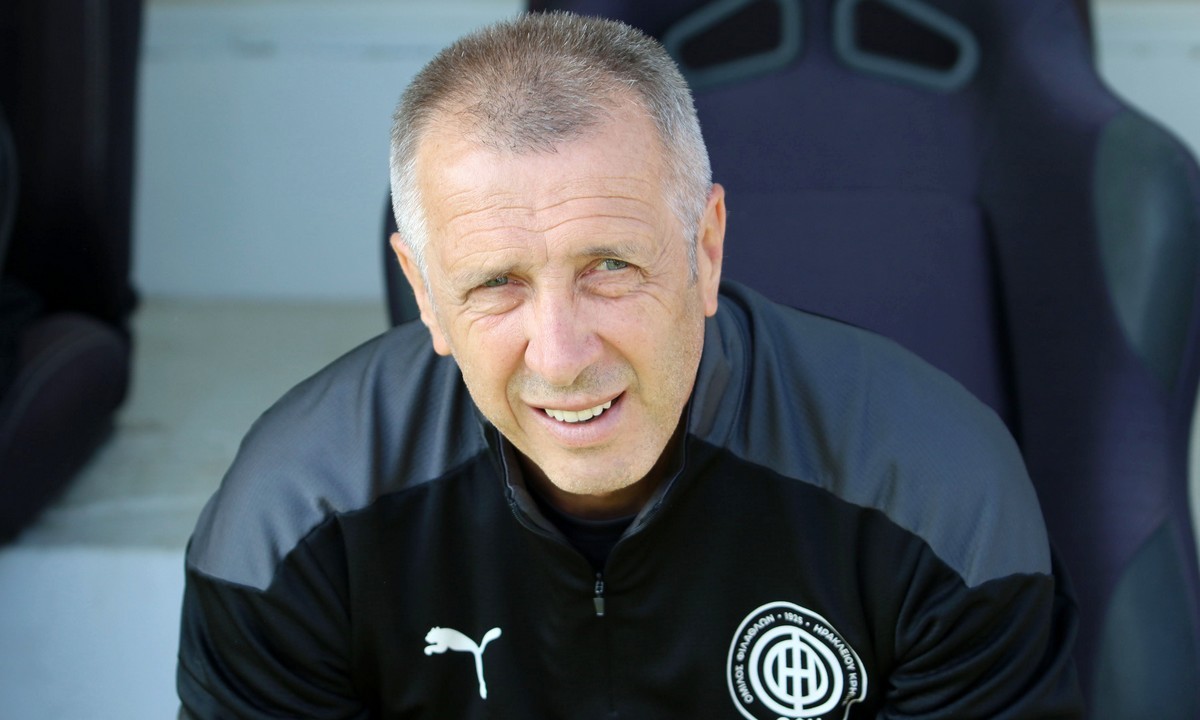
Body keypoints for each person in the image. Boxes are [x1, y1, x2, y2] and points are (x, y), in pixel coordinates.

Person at [177, 11, 1082, 719]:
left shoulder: (932, 494)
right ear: (423, 290)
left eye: (609, 267)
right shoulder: (296, 519)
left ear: (707, 247)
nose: (562, 355)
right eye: (496, 283)